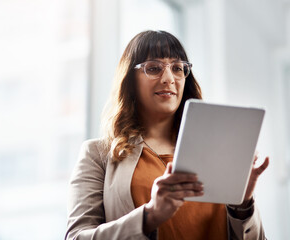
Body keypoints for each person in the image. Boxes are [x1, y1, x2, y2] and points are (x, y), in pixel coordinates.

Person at [65, 30, 269, 240]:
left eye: (177, 68)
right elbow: (77, 237)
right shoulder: (98, 155)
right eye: (153, 68)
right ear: (130, 80)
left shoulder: (216, 152)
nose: (168, 78)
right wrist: (150, 215)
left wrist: (243, 205)